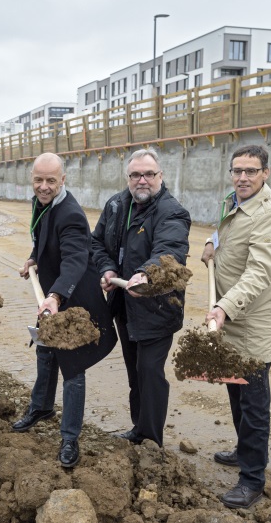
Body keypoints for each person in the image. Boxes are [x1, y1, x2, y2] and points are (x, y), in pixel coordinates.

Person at [12, 152, 116, 468]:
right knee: (45, 351)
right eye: (38, 180)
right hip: (53, 295)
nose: (43, 186)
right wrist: (34, 258)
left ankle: (70, 438)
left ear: (63, 180)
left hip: (75, 298)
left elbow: (74, 259)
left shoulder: (70, 214)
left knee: (72, 366)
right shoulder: (42, 202)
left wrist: (56, 296)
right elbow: (44, 237)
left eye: (51, 181)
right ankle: (41, 407)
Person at [201, 144, 271, 510]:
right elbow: (224, 232)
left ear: (265, 173)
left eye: (251, 171)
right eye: (237, 170)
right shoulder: (233, 200)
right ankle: (243, 450)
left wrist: (223, 307)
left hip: (252, 323)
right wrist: (211, 243)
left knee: (253, 404)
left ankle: (252, 479)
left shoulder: (270, 215)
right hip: (228, 318)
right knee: (235, 392)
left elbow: (259, 273)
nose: (242, 177)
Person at [90, 148, 191, 448]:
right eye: (135, 175)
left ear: (161, 176)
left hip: (157, 306)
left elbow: (169, 250)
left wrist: (147, 273)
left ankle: (151, 441)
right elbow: (96, 243)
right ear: (128, 178)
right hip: (125, 306)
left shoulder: (172, 211)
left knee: (149, 372)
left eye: (149, 174)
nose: (142, 180)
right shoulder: (116, 205)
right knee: (135, 372)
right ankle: (139, 429)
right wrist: (107, 269)